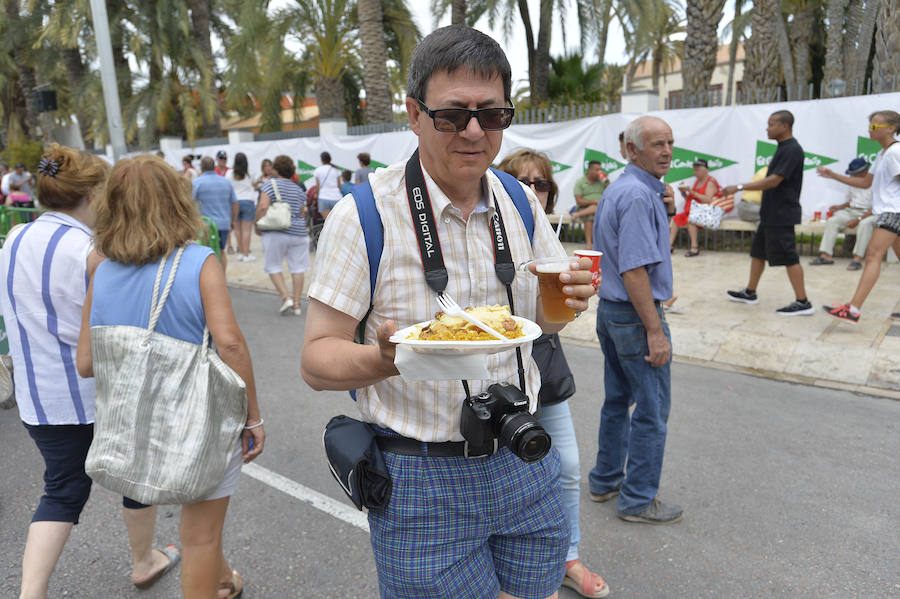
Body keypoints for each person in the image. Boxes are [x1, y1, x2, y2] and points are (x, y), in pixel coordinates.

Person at [301, 25, 596, 599]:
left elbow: (543, 322)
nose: (473, 131)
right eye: (452, 115)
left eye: (492, 115)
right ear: (414, 114)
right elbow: (316, 361)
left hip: (523, 456)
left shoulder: (518, 199)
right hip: (419, 477)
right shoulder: (363, 215)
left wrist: (570, 303)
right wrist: (390, 360)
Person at [77, 154, 264, 599]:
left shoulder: (99, 268)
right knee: (199, 533)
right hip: (198, 424)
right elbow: (230, 344)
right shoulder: (199, 262)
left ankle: (224, 581)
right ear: (178, 202)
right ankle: (214, 582)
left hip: (139, 428)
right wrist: (252, 417)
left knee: (200, 527)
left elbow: (86, 363)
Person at [0, 145, 181, 599]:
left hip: (38, 396)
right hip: (97, 390)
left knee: (61, 490)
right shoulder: (91, 251)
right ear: (94, 193)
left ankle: (31, 593)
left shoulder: (13, 239)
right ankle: (144, 560)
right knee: (136, 471)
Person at [497, 148, 609, 599]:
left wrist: (579, 293)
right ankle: (511, 562)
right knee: (506, 471)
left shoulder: (548, 237)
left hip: (544, 365)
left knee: (565, 466)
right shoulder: (487, 229)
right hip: (498, 376)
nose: (532, 191)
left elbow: (556, 314)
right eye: (520, 182)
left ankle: (569, 559)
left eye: (540, 184)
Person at [588, 116, 682, 525]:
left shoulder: (628, 190)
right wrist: (655, 331)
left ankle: (606, 480)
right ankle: (638, 500)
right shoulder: (639, 196)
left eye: (670, 143)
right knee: (651, 410)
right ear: (631, 150)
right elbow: (634, 270)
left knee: (616, 402)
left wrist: (670, 206)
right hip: (633, 315)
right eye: (656, 144)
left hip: (612, 314)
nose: (666, 151)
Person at [723, 110, 814, 315]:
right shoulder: (783, 148)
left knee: (789, 257)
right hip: (770, 214)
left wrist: (738, 187)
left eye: (772, 124)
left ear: (785, 126)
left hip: (782, 214)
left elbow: (774, 181)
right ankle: (750, 292)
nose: (767, 128)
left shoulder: (792, 150)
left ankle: (803, 302)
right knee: (758, 253)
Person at [819, 110, 900, 323]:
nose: (870, 130)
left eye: (875, 126)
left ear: (891, 128)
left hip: (893, 212)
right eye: (870, 126)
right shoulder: (883, 154)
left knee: (873, 255)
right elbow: (866, 183)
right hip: (891, 211)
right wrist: (833, 175)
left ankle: (853, 309)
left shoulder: (894, 152)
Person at [255, 155, 310, 316]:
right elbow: (302, 211)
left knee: (273, 266)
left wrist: (256, 223)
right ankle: (298, 304)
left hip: (276, 232)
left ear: (275, 169)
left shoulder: (269, 184)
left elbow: (263, 206)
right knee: (298, 268)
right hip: (299, 233)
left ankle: (286, 298)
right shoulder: (298, 189)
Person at [809, 158, 874, 270]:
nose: (852, 176)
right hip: (852, 211)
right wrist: (839, 207)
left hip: (870, 213)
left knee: (865, 225)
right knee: (832, 221)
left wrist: (858, 220)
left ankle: (858, 259)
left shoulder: (875, 182)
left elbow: (876, 207)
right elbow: (851, 202)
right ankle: (826, 255)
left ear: (864, 171)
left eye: (855, 173)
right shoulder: (852, 182)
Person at [193, 156, 238, 272]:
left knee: (206, 254)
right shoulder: (225, 182)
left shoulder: (197, 182)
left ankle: (210, 279)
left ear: (202, 168)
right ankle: (222, 278)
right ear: (214, 167)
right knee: (221, 251)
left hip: (206, 225)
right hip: (224, 223)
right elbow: (235, 203)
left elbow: (190, 203)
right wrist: (233, 220)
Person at [670, 158, 720, 257]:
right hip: (693, 211)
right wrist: (684, 193)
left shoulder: (710, 182)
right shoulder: (698, 181)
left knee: (691, 220)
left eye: (698, 170)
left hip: (706, 213)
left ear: (705, 169)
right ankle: (669, 245)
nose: (695, 172)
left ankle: (694, 247)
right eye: (694, 170)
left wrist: (691, 191)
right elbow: (691, 199)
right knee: (676, 219)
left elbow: (707, 199)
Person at [226, 152, 257, 263]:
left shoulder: (229, 174)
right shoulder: (250, 173)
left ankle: (240, 253)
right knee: (247, 230)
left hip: (235, 202)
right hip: (248, 201)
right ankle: (246, 254)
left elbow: (228, 187)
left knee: (237, 230)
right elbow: (254, 186)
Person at [572, 160, 608, 248]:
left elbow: (612, 190)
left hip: (600, 207)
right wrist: (594, 202)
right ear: (589, 170)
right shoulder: (580, 182)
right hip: (584, 207)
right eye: (597, 170)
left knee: (598, 209)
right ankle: (589, 243)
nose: (599, 172)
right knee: (591, 214)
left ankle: (577, 215)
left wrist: (606, 180)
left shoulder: (602, 181)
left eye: (600, 169)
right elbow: (579, 201)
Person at [313, 151, 341, 219]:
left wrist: (316, 195)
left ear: (321, 160)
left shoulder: (318, 170)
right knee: (337, 220)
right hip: (336, 197)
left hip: (323, 198)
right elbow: (339, 186)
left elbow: (318, 186)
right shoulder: (336, 170)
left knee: (327, 222)